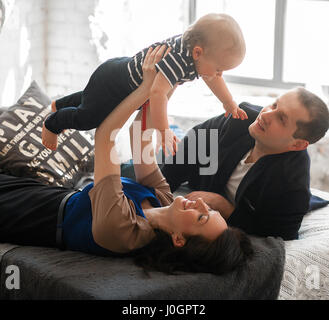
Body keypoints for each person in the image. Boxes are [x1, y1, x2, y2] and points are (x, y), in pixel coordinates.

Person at [0, 45, 253, 276]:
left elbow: (105, 136)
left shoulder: (123, 231)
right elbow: (140, 135)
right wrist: (167, 82)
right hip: (48, 196)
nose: (200, 204)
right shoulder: (163, 199)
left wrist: (145, 89)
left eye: (201, 217)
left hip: (26, 214)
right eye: (208, 209)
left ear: (179, 239)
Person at [41, 13, 248, 157]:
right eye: (219, 68)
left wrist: (228, 102)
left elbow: (212, 78)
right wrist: (163, 130)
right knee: (88, 118)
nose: (219, 75)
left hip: (117, 76)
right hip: (114, 83)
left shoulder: (196, 51)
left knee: (91, 97)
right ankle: (53, 123)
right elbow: (157, 94)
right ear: (198, 53)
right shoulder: (178, 60)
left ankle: (58, 104)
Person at [160, 87, 329, 241]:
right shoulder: (242, 117)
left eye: (281, 119)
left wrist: (226, 208)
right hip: (196, 177)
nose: (266, 114)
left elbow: (282, 232)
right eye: (274, 104)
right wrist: (158, 197)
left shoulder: (292, 183)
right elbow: (195, 143)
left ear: (297, 145)